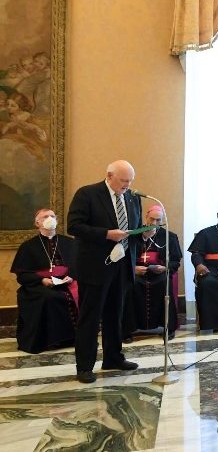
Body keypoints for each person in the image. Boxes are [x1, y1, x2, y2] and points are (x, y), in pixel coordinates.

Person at [67, 160, 141, 383]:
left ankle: (113, 357)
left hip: (122, 266)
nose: (127, 185)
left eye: (130, 181)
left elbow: (133, 227)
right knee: (90, 318)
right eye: (123, 180)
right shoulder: (87, 194)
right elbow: (74, 226)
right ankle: (85, 366)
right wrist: (107, 234)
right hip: (95, 267)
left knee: (115, 315)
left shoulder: (132, 197)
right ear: (109, 175)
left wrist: (142, 233)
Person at [9, 209, 78, 353]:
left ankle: (75, 338)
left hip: (68, 282)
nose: (50, 218)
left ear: (57, 221)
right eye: (45, 216)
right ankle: (52, 340)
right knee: (50, 297)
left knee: (85, 292)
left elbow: (80, 266)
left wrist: (72, 276)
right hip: (40, 285)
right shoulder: (28, 247)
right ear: (37, 223)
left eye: (52, 216)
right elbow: (22, 276)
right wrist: (42, 280)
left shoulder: (70, 243)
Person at [123, 205, 181, 341]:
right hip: (136, 274)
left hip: (159, 274)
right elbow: (123, 258)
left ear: (162, 221)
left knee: (164, 283)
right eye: (152, 219)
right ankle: (126, 330)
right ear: (146, 217)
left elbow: (175, 261)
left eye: (158, 220)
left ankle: (168, 327)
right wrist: (133, 269)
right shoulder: (134, 234)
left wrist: (165, 268)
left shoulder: (169, 236)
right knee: (131, 286)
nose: (154, 223)